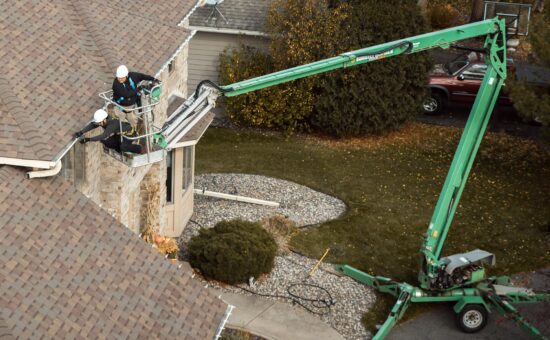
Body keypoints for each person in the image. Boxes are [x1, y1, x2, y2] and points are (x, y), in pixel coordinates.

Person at [74, 109, 142, 154]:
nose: (99, 124)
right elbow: (93, 125)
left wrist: (88, 139)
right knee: (107, 143)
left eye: (100, 123)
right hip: (119, 134)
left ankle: (139, 149)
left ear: (104, 120)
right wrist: (81, 132)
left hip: (128, 135)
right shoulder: (104, 120)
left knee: (122, 147)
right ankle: (119, 148)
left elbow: (103, 135)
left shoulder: (112, 125)